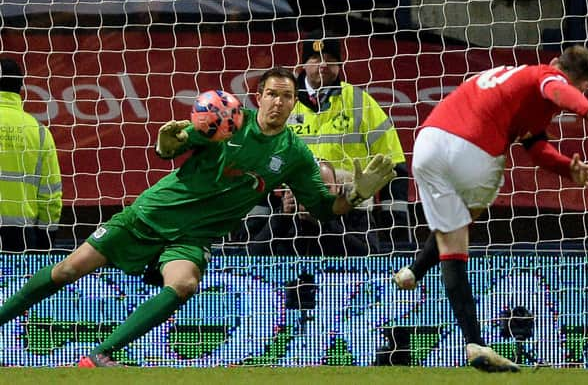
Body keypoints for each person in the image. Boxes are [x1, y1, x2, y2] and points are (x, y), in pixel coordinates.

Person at [0, 67, 395, 367]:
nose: (278, 102)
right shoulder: (224, 121)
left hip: (193, 237)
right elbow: (170, 149)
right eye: (272, 94)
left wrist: (356, 195)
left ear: (294, 104)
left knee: (185, 283)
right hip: (151, 215)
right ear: (258, 97)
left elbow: (325, 210)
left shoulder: (295, 155)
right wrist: (169, 139)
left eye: (287, 97)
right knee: (69, 269)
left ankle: (99, 357)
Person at [393, 46, 588, 372]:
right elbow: (557, 88)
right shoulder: (546, 75)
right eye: (583, 87)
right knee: (459, 233)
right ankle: (473, 343)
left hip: (428, 143)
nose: (580, 92)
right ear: (574, 78)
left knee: (450, 232)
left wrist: (565, 168)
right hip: (474, 149)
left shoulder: (509, 80)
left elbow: (536, 146)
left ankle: (414, 272)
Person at [288, 29, 410, 249]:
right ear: (303, 63)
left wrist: (397, 230)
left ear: (339, 64)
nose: (323, 65)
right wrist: (260, 223)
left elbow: (394, 165)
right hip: (295, 221)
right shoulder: (284, 103)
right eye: (315, 58)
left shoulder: (360, 102)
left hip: (353, 218)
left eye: (331, 59)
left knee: (353, 281)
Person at [248, 160, 378, 256]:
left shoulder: (356, 213)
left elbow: (373, 257)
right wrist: (282, 218)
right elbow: (251, 256)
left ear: (338, 188)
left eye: (326, 188)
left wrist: (324, 224)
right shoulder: (282, 214)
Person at [0, 57, 62, 252]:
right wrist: (46, 237)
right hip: (20, 236)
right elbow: (51, 193)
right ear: (20, 87)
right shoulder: (39, 131)